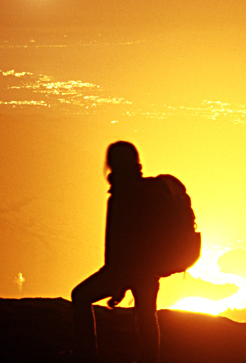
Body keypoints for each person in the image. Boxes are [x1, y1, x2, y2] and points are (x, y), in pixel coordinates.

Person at [72, 141, 167, 363]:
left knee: (80, 296)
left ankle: (86, 354)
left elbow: (116, 243)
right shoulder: (147, 191)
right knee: (147, 317)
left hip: (122, 270)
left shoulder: (120, 196)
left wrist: (117, 284)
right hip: (149, 270)